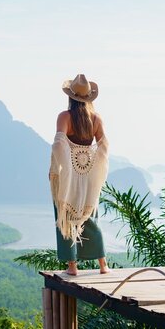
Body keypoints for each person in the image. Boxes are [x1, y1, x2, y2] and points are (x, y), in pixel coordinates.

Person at [49, 74, 110, 276]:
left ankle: (72, 266)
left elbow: (59, 144)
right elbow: (104, 147)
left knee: (65, 213)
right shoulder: (96, 119)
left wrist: (60, 166)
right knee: (89, 215)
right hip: (88, 176)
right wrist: (92, 166)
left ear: (71, 97)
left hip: (69, 174)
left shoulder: (64, 117)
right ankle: (103, 265)